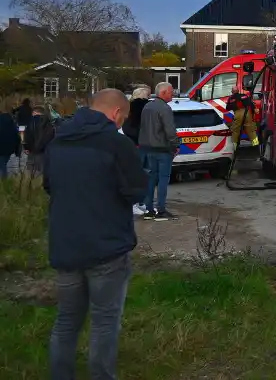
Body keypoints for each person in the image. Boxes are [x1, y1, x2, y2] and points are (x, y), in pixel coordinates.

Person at [44, 89, 148, 380]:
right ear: (116, 114)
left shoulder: (58, 141)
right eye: (123, 118)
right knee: (104, 322)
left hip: (65, 246)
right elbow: (136, 190)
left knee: (66, 322)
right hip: (107, 247)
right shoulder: (117, 144)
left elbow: (50, 185)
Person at [139, 82, 180, 221]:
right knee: (163, 180)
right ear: (163, 93)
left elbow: (143, 128)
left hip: (147, 148)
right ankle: (161, 210)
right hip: (162, 149)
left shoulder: (147, 106)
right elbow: (170, 130)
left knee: (150, 179)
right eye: (170, 92)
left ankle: (149, 210)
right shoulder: (164, 108)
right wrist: (176, 145)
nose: (172, 94)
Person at [121, 86, 152, 215]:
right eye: (148, 95)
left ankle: (138, 203)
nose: (150, 97)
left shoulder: (128, 108)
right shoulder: (143, 108)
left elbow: (127, 127)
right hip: (143, 145)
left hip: (134, 144)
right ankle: (140, 203)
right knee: (144, 174)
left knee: (136, 174)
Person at [22, 104, 51, 177]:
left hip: (31, 151)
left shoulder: (30, 122)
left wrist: (26, 148)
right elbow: (49, 138)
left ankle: (28, 186)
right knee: (40, 172)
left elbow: (26, 137)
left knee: (29, 171)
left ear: (34, 112)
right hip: (42, 152)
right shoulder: (48, 123)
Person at [0, 109, 19, 178]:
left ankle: (4, 182)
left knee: (2, 165)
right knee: (3, 163)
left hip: (1, 148)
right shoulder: (12, 124)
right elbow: (17, 138)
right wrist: (17, 151)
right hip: (9, 149)